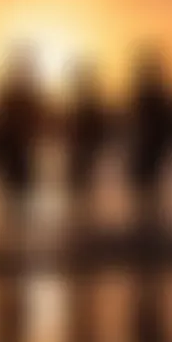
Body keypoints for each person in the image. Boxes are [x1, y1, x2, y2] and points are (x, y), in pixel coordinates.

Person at [0, 45, 47, 235]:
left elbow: (33, 121)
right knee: (16, 194)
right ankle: (15, 233)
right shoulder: (17, 92)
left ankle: (15, 232)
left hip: (19, 153)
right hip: (16, 153)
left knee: (16, 194)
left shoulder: (16, 92)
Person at [125, 45, 172, 233]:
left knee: (147, 190)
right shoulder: (149, 92)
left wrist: (167, 142)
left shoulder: (153, 93)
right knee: (146, 190)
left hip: (151, 149)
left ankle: (150, 230)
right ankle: (149, 229)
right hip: (148, 149)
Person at [64, 60, 108, 227]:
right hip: (80, 151)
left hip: (85, 150)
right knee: (79, 185)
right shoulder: (79, 101)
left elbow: (98, 125)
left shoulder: (86, 102)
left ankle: (84, 222)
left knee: (82, 185)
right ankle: (82, 221)